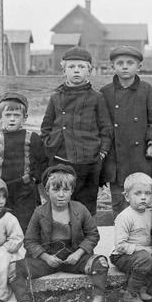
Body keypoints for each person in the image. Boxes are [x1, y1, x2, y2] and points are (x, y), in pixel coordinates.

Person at [9, 165, 118, 302]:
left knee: (100, 262)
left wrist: (79, 253)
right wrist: (45, 257)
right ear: (47, 191)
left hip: (73, 259)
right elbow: (30, 240)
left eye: (66, 190)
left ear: (72, 191)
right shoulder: (39, 212)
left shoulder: (80, 209)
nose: (61, 195)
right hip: (47, 261)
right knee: (13, 268)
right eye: (56, 190)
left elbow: (93, 234)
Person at [40, 46, 113, 215]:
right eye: (71, 67)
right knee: (61, 202)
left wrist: (101, 152)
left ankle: (85, 239)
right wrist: (50, 146)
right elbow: (46, 127)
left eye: (81, 67)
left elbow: (106, 129)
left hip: (89, 160)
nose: (76, 71)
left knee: (85, 207)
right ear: (64, 70)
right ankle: (62, 239)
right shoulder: (56, 98)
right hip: (61, 159)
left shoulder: (97, 98)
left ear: (89, 70)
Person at [100, 45, 152, 218]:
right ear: (112, 67)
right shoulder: (105, 92)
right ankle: (121, 242)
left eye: (130, 63)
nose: (125, 66)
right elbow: (103, 125)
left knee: (143, 200)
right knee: (119, 202)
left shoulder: (146, 89)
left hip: (140, 156)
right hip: (116, 158)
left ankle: (144, 240)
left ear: (139, 67)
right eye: (120, 63)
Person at [0, 92, 47, 232]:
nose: (12, 119)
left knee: (26, 223)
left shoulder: (33, 139)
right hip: (0, 189)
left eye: (17, 115)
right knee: (0, 222)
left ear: (25, 118)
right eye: (8, 115)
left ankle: (27, 250)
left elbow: (42, 161)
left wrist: (35, 177)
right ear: (0, 117)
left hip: (25, 188)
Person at [110, 172, 152, 302]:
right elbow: (120, 246)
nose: (143, 197)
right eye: (138, 193)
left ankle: (143, 287)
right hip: (122, 255)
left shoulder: (149, 213)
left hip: (142, 253)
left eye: (147, 193)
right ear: (127, 196)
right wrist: (143, 249)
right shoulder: (125, 217)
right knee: (145, 259)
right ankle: (131, 293)